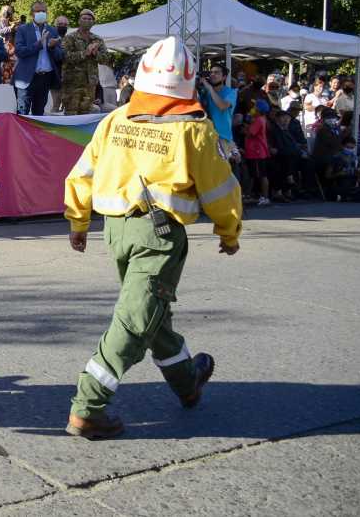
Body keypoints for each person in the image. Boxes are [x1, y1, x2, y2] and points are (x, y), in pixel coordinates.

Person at [63, 35, 242, 439]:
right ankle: (87, 407)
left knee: (150, 313)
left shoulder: (116, 120)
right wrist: (229, 232)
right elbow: (220, 189)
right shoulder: (193, 130)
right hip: (159, 237)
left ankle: (186, 383)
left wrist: (78, 221)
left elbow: (83, 173)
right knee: (134, 320)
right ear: (189, 81)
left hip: (117, 232)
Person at [13, 1, 63, 115]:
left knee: (39, 113)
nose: (41, 13)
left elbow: (60, 55)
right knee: (22, 113)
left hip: (45, 78)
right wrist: (39, 44)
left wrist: (52, 47)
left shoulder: (53, 30)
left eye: (44, 11)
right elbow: (19, 51)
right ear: (32, 14)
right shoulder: (22, 29)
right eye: (38, 11)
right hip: (26, 79)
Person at [61, 9, 107, 115]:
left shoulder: (97, 39)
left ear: (93, 22)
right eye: (84, 18)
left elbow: (106, 59)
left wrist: (96, 54)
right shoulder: (70, 38)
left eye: (90, 19)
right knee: (71, 113)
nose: (87, 21)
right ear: (79, 21)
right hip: (72, 84)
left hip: (90, 84)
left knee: (86, 112)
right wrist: (85, 53)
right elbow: (64, 57)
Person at [199, 63, 239, 164]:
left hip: (223, 138)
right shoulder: (206, 92)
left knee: (223, 174)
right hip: (207, 137)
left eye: (216, 72)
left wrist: (210, 88)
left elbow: (222, 106)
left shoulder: (231, 92)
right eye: (211, 72)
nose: (212, 74)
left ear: (224, 77)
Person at [244, 100, 272, 206]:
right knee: (253, 174)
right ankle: (249, 194)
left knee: (261, 175)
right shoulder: (259, 119)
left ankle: (265, 197)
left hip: (257, 152)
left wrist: (245, 125)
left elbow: (250, 133)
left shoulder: (258, 120)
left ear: (259, 110)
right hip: (255, 151)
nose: (253, 108)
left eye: (255, 107)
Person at [0, 4, 18, 84]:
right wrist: (10, 28)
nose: (8, 13)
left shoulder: (11, 21)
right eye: (7, 11)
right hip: (3, 46)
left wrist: (16, 28)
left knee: (12, 68)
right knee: (4, 67)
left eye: (10, 11)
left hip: (12, 47)